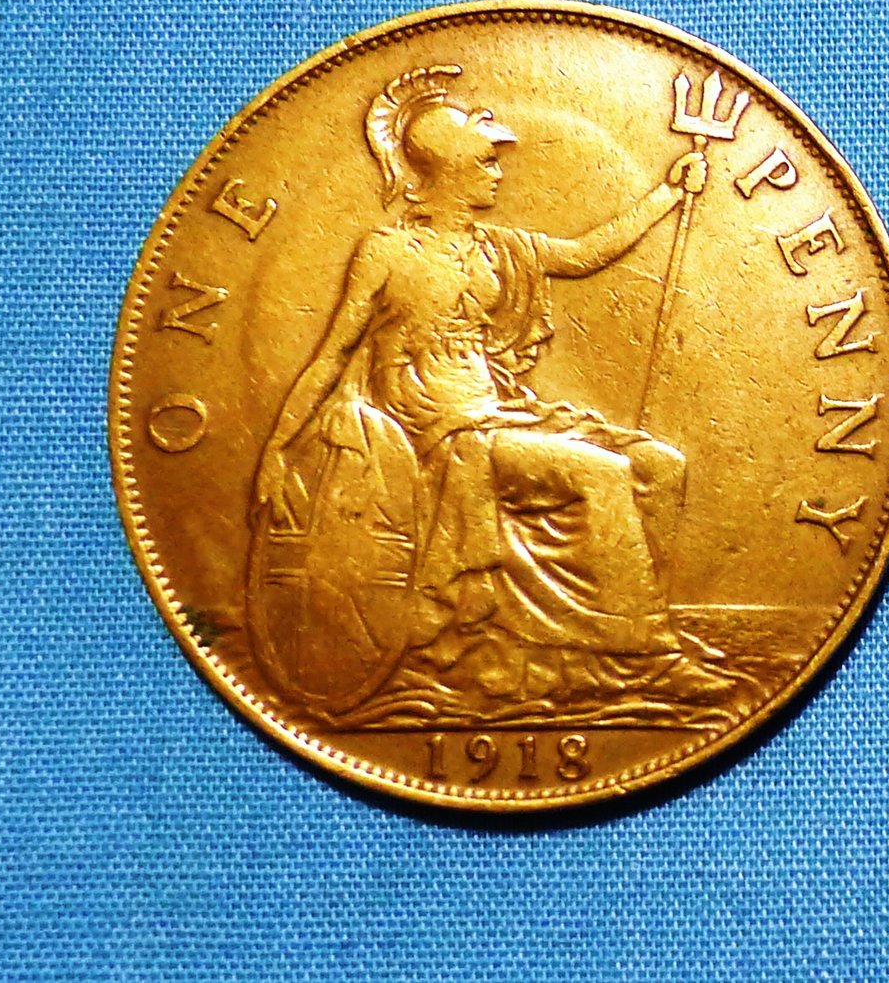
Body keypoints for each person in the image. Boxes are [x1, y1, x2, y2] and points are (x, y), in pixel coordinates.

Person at [248, 64, 731, 722]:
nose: (498, 173)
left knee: (659, 465)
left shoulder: (500, 248)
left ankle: (603, 643)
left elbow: (586, 254)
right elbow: (332, 352)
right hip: (441, 436)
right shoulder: (386, 252)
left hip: (504, 414)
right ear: (447, 170)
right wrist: (278, 448)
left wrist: (668, 195)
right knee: (603, 473)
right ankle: (646, 654)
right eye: (485, 161)